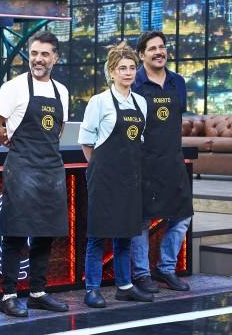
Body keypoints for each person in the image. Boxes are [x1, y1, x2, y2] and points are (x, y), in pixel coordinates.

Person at [0, 31, 69, 317]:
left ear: (55, 58)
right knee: (16, 233)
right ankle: (8, 295)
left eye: (45, 54)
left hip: (51, 169)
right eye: (34, 53)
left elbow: (58, 130)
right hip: (22, 168)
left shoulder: (62, 92)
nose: (38, 59)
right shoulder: (15, 87)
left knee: (46, 232)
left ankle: (37, 292)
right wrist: (11, 143)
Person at [78, 42, 153, 308]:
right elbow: (87, 143)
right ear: (111, 72)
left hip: (130, 179)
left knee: (125, 234)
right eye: (122, 68)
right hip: (104, 178)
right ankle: (92, 289)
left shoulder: (141, 103)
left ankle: (124, 286)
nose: (128, 73)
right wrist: (100, 170)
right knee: (98, 235)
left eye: (132, 68)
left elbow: (138, 141)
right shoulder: (99, 102)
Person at [130, 31, 193, 293]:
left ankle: (166, 269)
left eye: (162, 47)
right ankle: (142, 274)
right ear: (142, 54)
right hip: (143, 163)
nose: (159, 52)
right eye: (152, 48)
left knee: (182, 217)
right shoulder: (134, 83)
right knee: (141, 221)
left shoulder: (178, 82)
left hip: (172, 162)